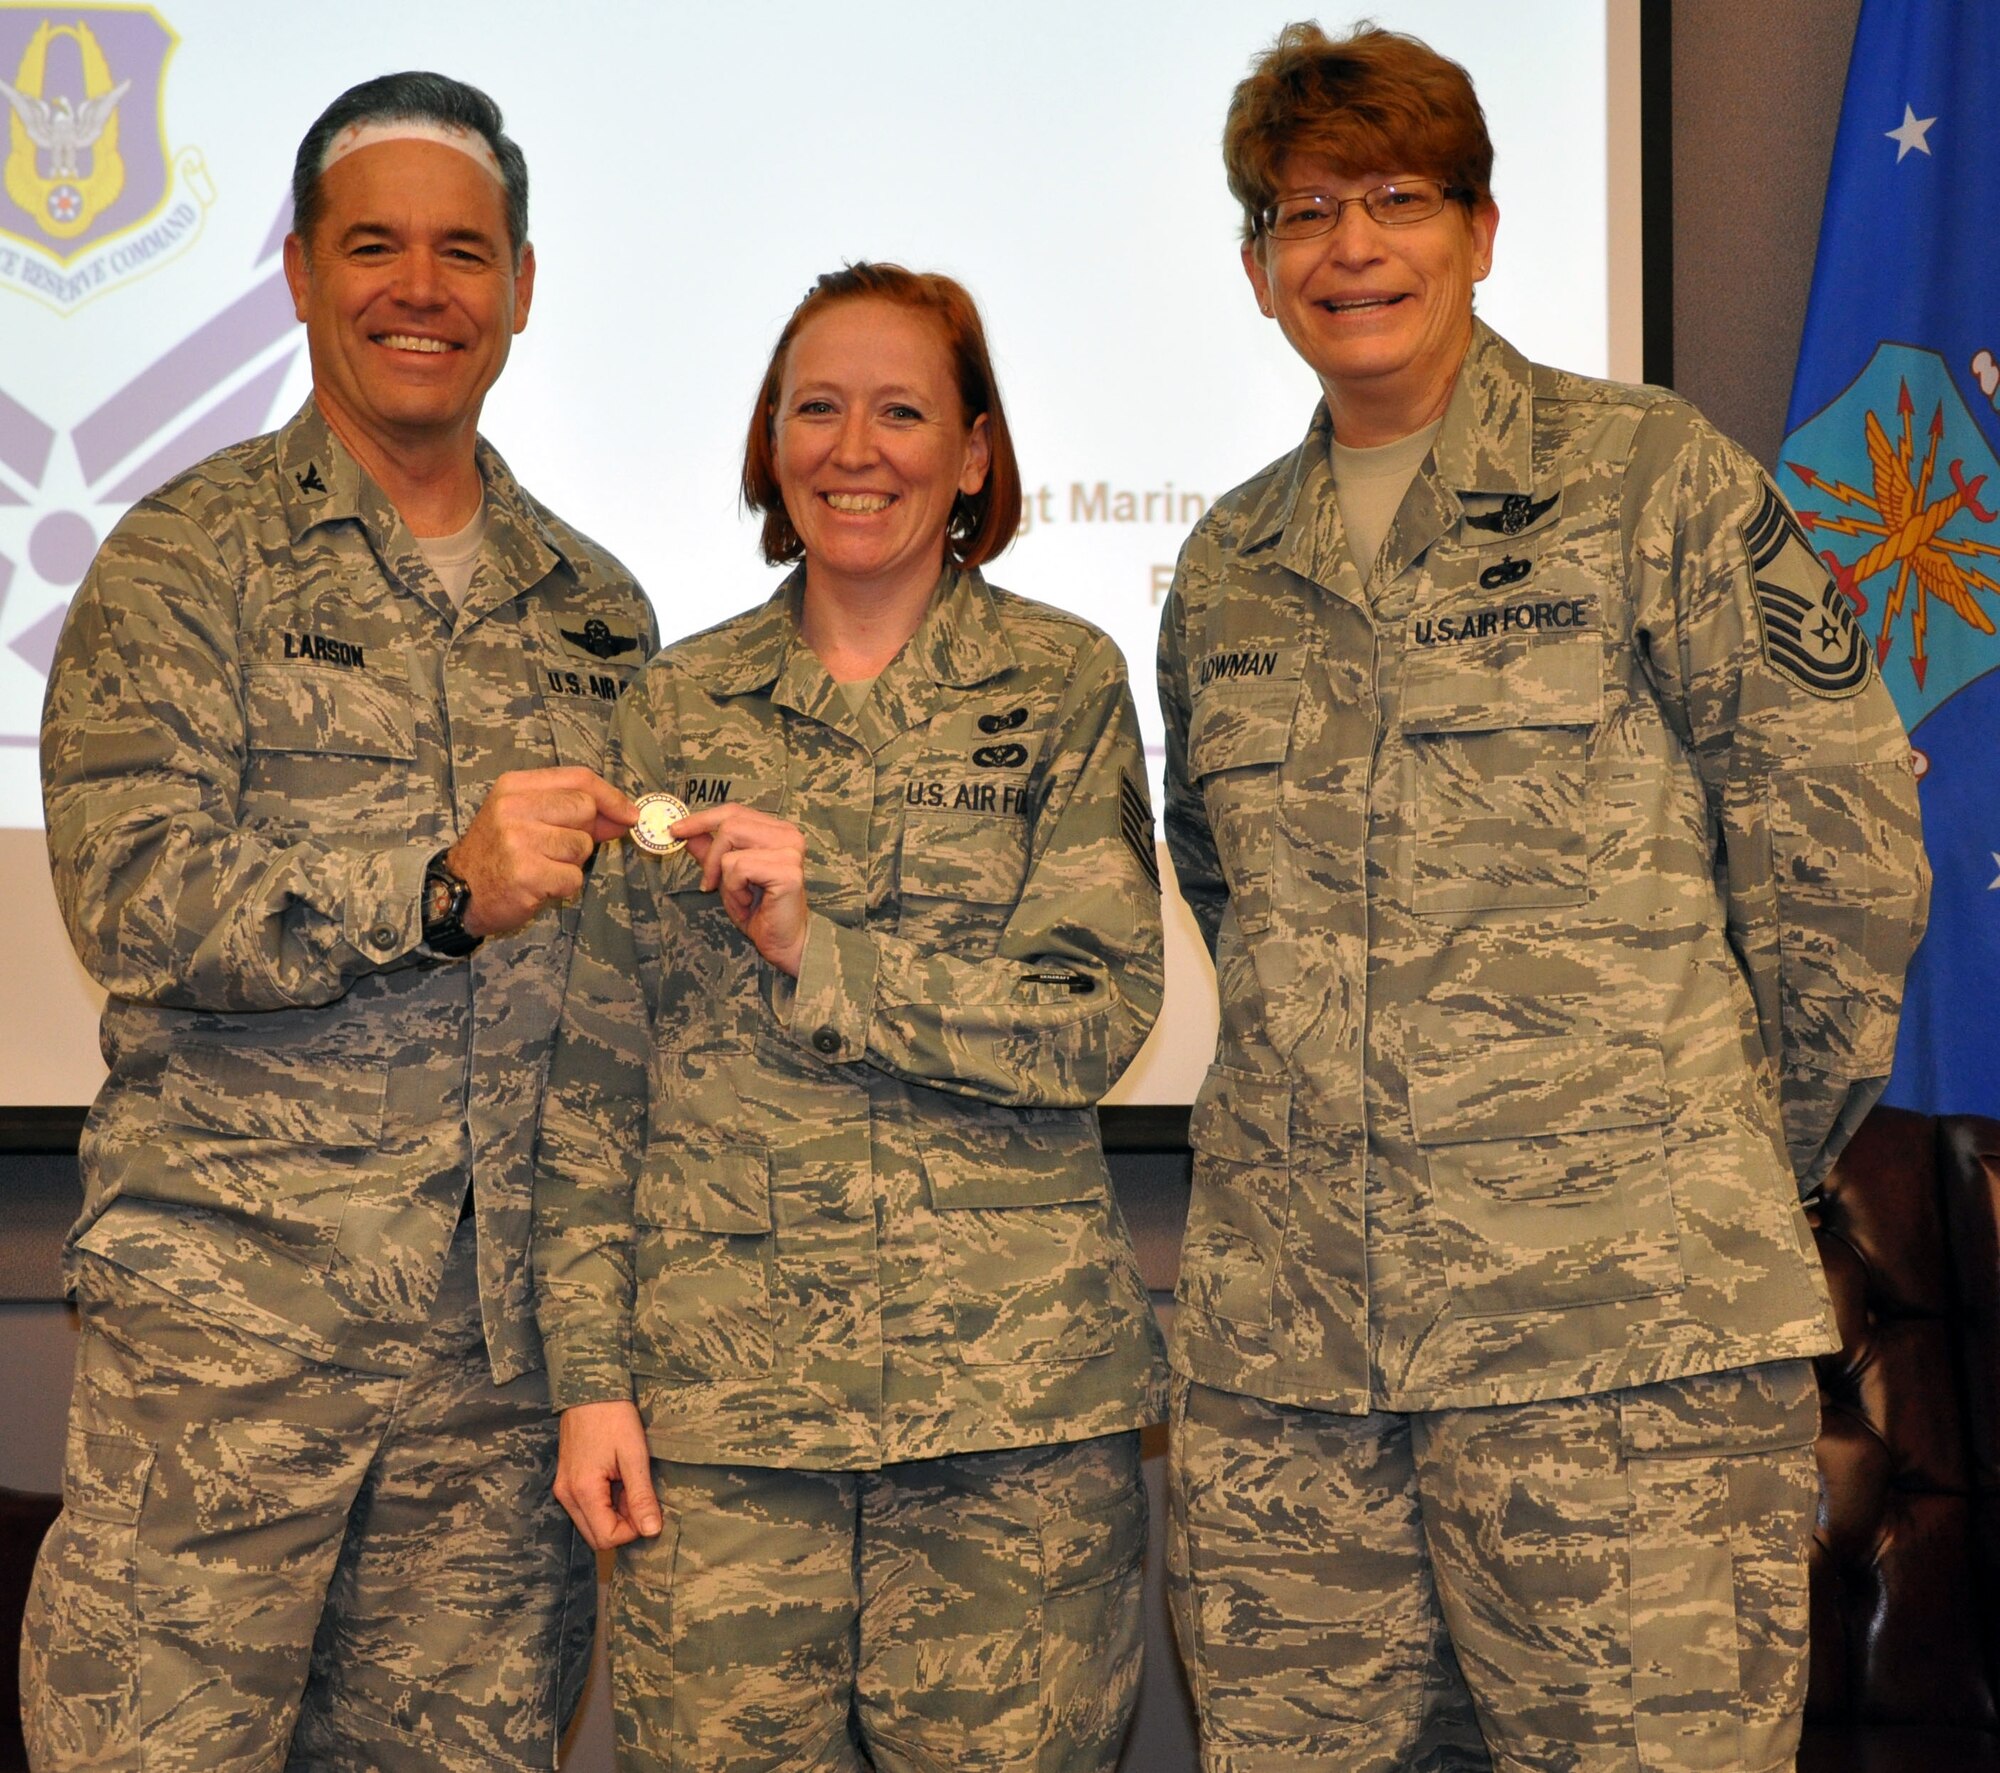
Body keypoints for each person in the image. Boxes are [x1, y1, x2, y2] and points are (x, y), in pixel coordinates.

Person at [1157, 23, 1929, 1773]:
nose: (1350, 246)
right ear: (1258, 264)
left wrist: (1706, 1163)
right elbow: (1229, 888)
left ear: (1484, 229)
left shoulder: (1652, 480)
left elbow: (1843, 851)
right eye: (1302, 212)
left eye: (1399, 197)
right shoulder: (1223, 567)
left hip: (1622, 1364)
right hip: (1300, 1397)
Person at [25, 71, 656, 1772]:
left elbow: (618, 1006)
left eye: (465, 252)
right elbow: (130, 892)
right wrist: (437, 886)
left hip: (495, 1371)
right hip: (231, 1351)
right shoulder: (182, 565)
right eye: (372, 245)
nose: (421, 289)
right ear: (298, 272)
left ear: (522, 287)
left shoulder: (599, 611)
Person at [533, 262, 1169, 1772]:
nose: (854, 448)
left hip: (1009, 1426)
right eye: (816, 408)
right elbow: (598, 1081)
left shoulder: (1061, 683)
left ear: (973, 454)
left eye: (903, 411)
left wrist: (831, 952)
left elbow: (1094, 1013)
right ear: (770, 442)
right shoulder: (675, 707)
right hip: (725, 1430)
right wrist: (589, 1380)